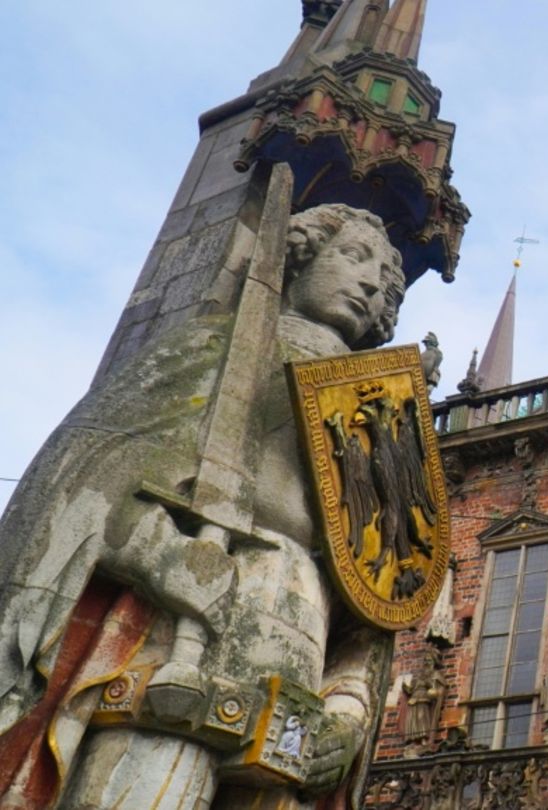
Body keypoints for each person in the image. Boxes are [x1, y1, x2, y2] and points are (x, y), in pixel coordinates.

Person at [0, 198, 407, 808]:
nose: (372, 286)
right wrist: (159, 554)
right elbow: (84, 473)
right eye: (354, 257)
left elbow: (375, 598)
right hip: (173, 659)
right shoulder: (221, 348)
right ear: (300, 257)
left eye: (387, 290)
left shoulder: (377, 419)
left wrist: (347, 710)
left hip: (296, 703)